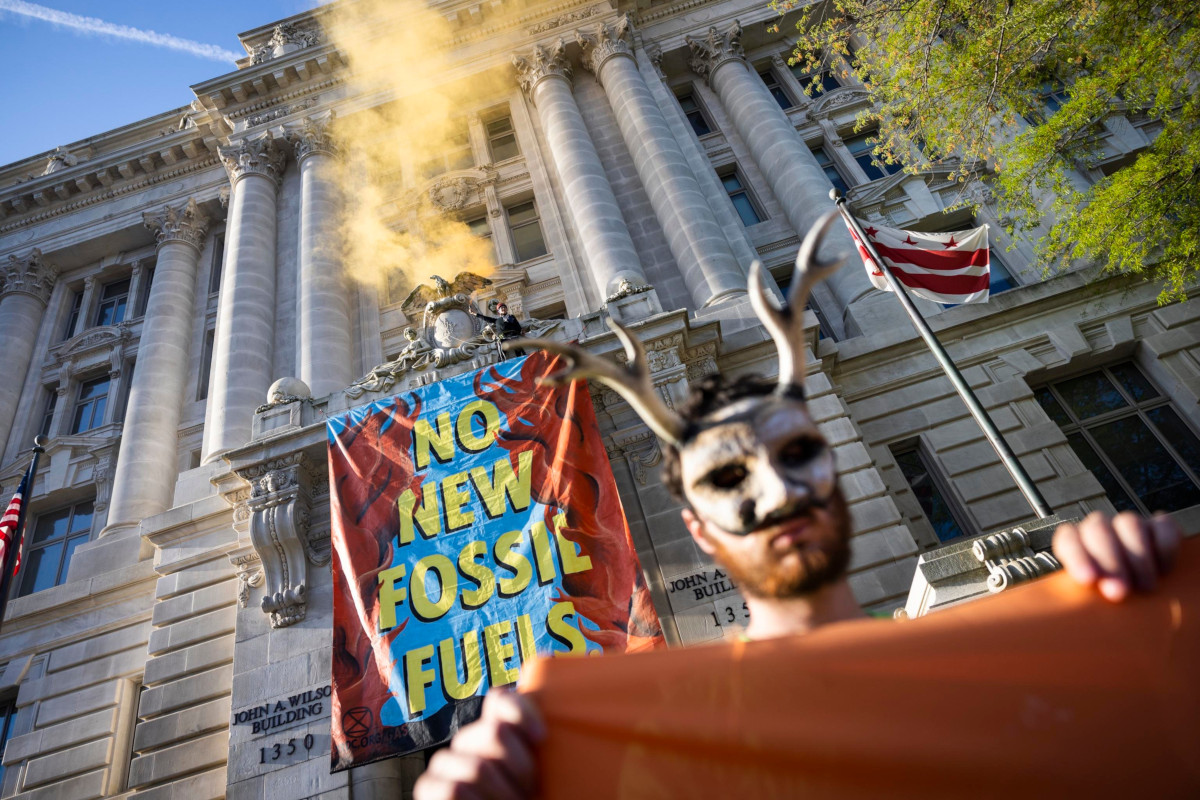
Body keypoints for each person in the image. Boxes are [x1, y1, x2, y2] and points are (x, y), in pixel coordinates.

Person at [412, 373, 1183, 800]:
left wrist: (1132, 616)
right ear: (700, 531)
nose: (777, 494)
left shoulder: (1035, 657)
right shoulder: (639, 756)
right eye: (728, 477)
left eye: (798, 454)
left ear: (839, 469)